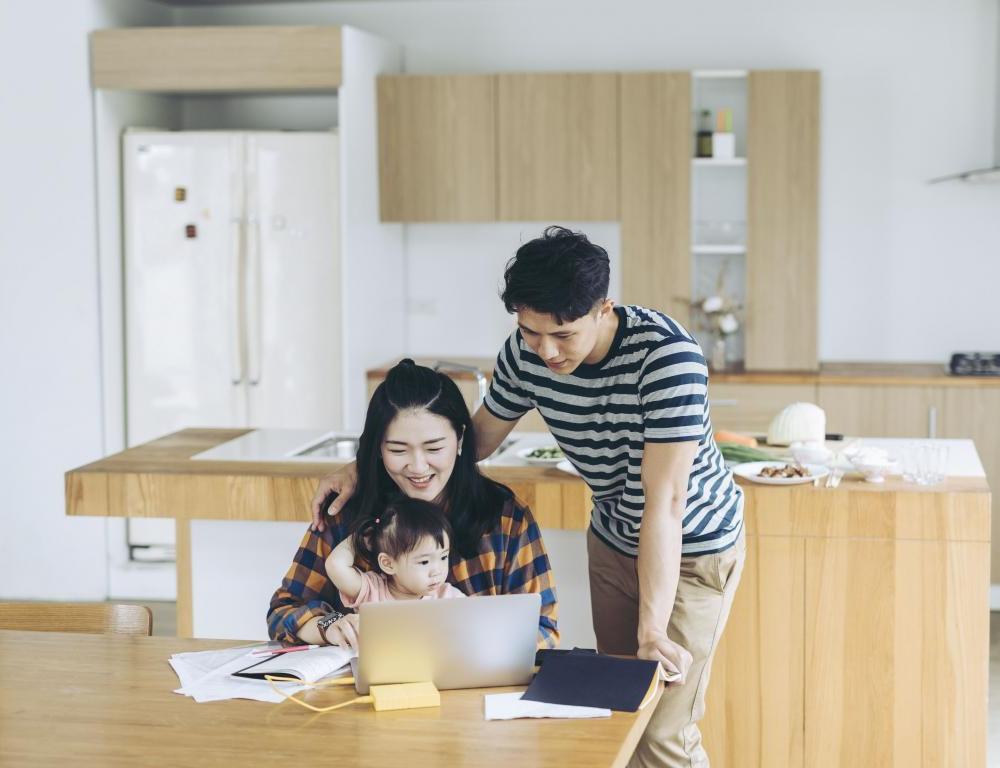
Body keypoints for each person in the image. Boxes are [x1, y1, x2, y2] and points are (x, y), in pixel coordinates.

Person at [312, 227, 744, 768]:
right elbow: (475, 441)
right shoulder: (527, 351)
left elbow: (666, 504)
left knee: (662, 733)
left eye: (562, 335)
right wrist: (373, 462)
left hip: (692, 547)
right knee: (619, 718)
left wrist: (652, 631)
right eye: (530, 331)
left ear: (603, 308)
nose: (545, 351)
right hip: (613, 537)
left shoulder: (666, 359)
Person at [271, 359, 558, 651]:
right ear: (379, 448)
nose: (418, 467)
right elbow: (283, 613)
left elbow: (543, 629)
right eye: (397, 450)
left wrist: (476, 647)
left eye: (434, 448)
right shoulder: (346, 512)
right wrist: (328, 626)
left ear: (459, 438)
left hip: (478, 689)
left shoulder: (505, 517)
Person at [326, 497, 466, 610]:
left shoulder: (447, 597)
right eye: (424, 562)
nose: (437, 572)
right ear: (388, 564)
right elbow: (335, 565)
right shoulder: (373, 590)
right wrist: (360, 538)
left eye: (443, 557)